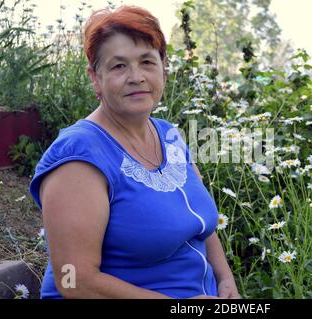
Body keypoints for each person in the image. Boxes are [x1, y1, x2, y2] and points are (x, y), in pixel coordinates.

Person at [29, 5, 240, 299]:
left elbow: (201, 225)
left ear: (163, 68)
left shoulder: (169, 135)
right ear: (95, 77)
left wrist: (225, 280)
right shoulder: (78, 157)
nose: (136, 76)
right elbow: (74, 280)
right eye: (119, 66)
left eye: (147, 62)